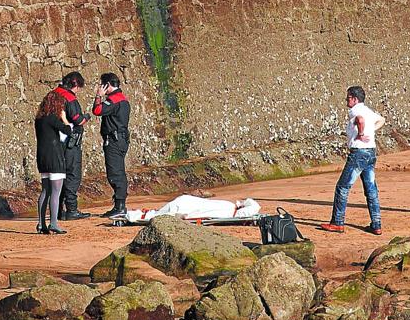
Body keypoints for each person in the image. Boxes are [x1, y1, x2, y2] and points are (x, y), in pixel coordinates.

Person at [320, 86, 386, 235]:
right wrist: (370, 130)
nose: (346, 100)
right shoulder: (368, 110)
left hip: (358, 153)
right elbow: (382, 119)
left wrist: (362, 133)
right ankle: (376, 224)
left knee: (343, 187)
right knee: (371, 190)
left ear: (355, 99)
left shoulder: (356, 111)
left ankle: (337, 222)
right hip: (370, 152)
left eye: (348, 97)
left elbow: (360, 120)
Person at [53, 72, 92, 221]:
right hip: (70, 143)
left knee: (58, 175)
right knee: (72, 175)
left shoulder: (52, 95)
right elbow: (78, 120)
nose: (79, 91)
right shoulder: (69, 98)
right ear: (75, 84)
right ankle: (72, 209)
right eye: (79, 87)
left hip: (54, 141)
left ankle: (57, 210)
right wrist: (87, 116)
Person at [92, 72, 131, 218]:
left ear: (107, 85)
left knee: (115, 172)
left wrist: (98, 96)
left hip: (114, 140)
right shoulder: (123, 100)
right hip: (120, 139)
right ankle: (119, 204)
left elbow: (97, 110)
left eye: (102, 84)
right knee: (118, 170)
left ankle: (120, 206)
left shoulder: (114, 100)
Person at [34, 91, 73, 234]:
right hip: (54, 157)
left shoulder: (39, 118)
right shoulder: (52, 118)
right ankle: (54, 223)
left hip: (42, 158)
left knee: (45, 191)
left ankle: (41, 223)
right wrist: (64, 119)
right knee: (56, 192)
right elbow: (67, 130)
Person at [124, 195, 261, 222]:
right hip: (187, 204)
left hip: (188, 203)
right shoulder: (230, 211)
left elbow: (253, 205)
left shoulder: (230, 208)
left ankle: (137, 215)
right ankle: (135, 216)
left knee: (161, 213)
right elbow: (254, 206)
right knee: (159, 215)